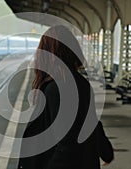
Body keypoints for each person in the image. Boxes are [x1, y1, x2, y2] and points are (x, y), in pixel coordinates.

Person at [17, 25, 114, 169]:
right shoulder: (81, 83)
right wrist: (106, 151)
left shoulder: (56, 88)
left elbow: (66, 145)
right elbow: (91, 122)